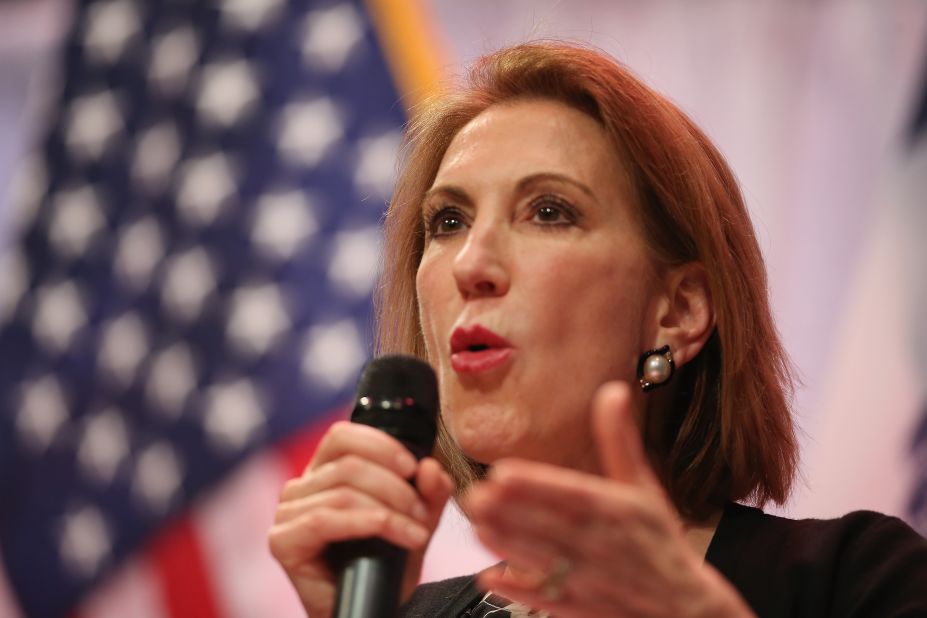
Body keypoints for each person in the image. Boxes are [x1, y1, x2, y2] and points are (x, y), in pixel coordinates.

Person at [268, 42, 927, 617]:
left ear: (679, 312)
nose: (470, 264)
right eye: (446, 222)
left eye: (548, 211)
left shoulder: (858, 580)